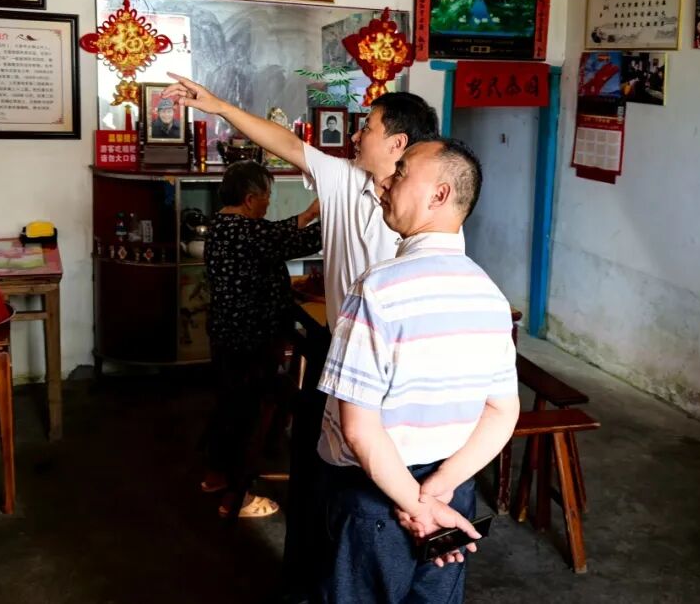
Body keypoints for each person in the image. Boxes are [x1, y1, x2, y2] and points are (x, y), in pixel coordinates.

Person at [160, 73, 440, 600]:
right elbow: (284, 142)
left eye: (368, 127)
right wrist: (219, 106)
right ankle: (313, 584)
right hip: (340, 351)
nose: (355, 134)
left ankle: (379, 573)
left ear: (398, 142)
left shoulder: (427, 205)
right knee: (325, 478)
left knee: (386, 480)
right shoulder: (343, 178)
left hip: (401, 361)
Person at [315, 138, 519, 602]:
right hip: (450, 495)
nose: (385, 182)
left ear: (439, 195)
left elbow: (360, 430)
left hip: (376, 500)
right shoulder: (490, 295)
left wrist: (416, 505)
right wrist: (437, 491)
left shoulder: (377, 289)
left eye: (401, 172)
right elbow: (502, 411)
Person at [200, 161, 321, 519]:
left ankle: (215, 476)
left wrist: (309, 213)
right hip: (251, 338)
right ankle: (237, 498)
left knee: (228, 407)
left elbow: (276, 233)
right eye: (267, 196)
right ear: (251, 199)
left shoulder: (222, 225)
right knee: (247, 416)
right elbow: (298, 240)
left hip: (226, 334)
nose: (269, 202)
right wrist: (342, 219)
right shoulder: (249, 233)